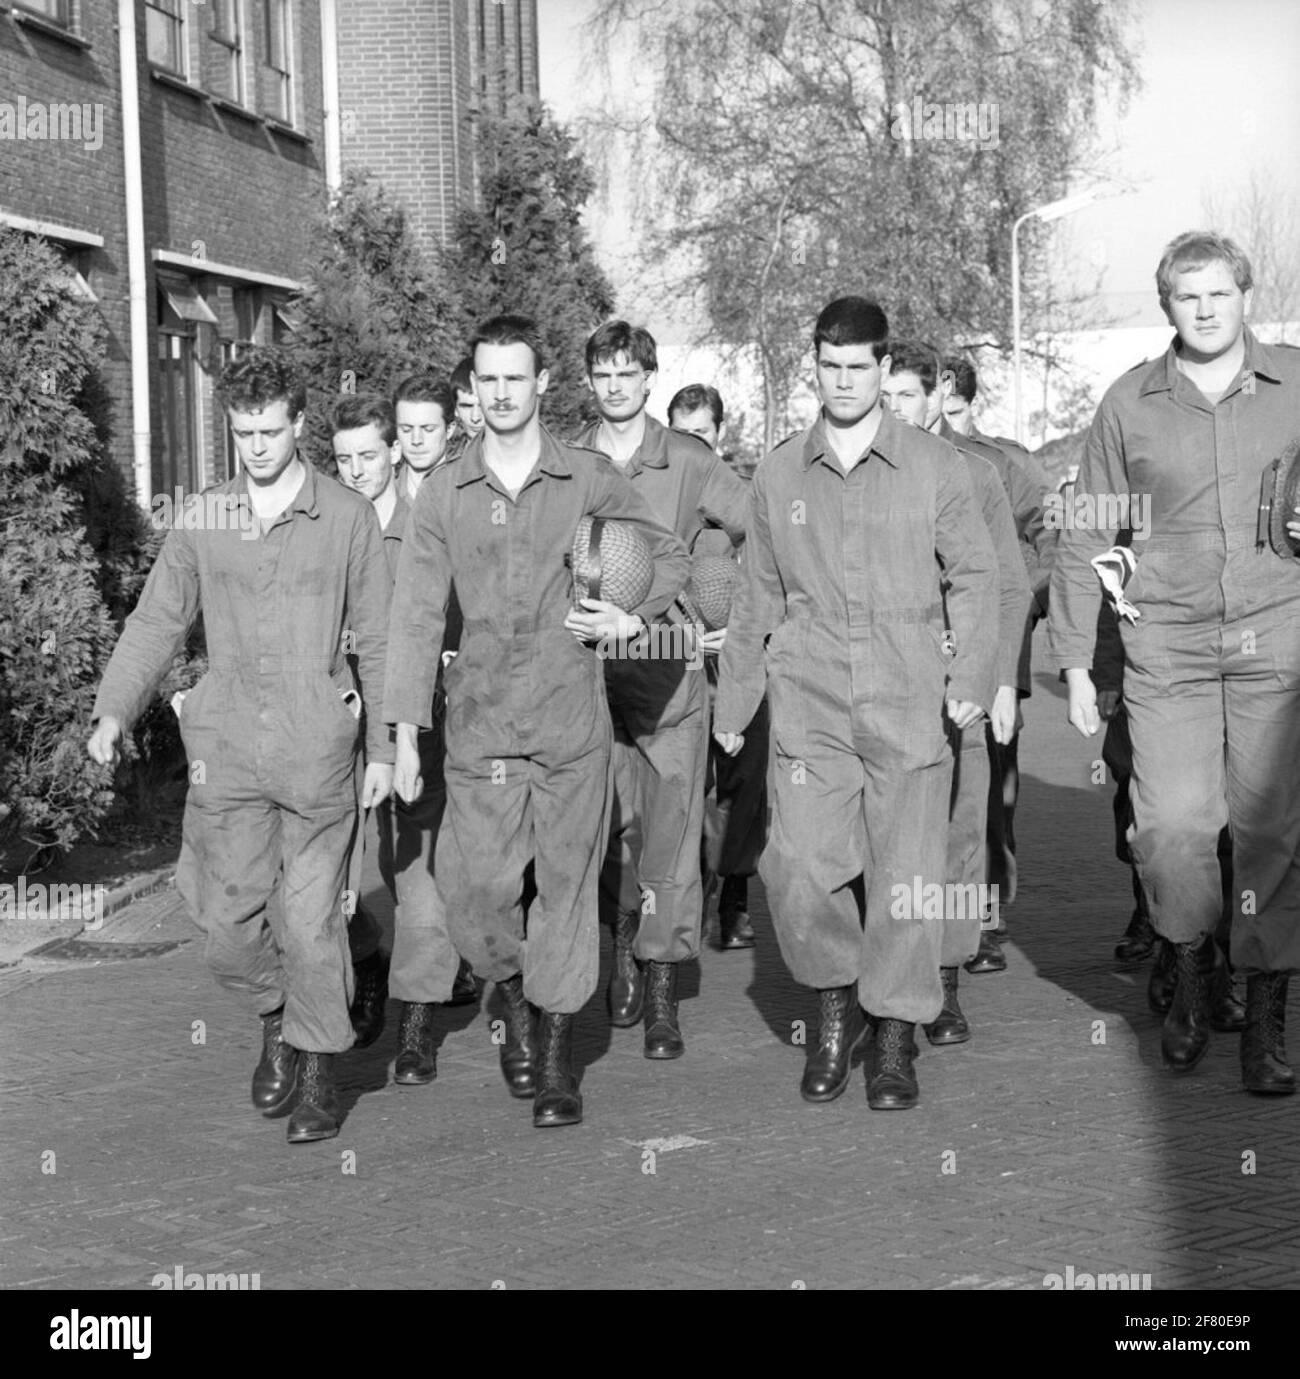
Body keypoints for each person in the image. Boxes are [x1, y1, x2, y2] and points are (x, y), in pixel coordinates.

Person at [383, 314, 689, 1127]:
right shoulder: (445, 492)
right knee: (473, 894)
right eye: (487, 380)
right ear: (471, 390)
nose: (501, 393)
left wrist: (633, 617)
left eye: (515, 378)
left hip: (568, 727)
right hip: (478, 729)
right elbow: (413, 615)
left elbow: (670, 556)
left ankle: (556, 1058)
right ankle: (512, 990)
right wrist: (405, 732)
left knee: (564, 890)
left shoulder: (585, 478)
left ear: (541, 383)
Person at [87, 348, 394, 1144]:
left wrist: (391, 744)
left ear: (299, 425)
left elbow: (386, 638)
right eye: (242, 432)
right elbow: (158, 618)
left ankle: (322, 1067)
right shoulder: (205, 515)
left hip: (317, 745)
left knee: (308, 916)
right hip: (225, 750)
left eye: (269, 430)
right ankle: (277, 1012)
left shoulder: (346, 518)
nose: (256, 446)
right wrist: (115, 710)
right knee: (226, 925)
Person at [714, 297, 998, 1111]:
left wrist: (972, 679)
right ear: (815, 367)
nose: (843, 381)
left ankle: (897, 1034)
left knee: (909, 876)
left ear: (882, 369)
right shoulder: (777, 472)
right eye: (829, 367)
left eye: (858, 367)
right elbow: (755, 594)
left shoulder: (936, 466)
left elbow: (975, 577)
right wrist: (732, 708)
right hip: (809, 695)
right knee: (798, 867)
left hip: (909, 692)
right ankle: (835, 1002)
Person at [1050, 230, 1300, 1093]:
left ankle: (1266, 1020)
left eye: (1219, 294)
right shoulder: (1130, 406)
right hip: (1171, 647)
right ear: (1167, 306)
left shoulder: (1295, 385)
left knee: (1270, 833)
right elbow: (1086, 532)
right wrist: (1078, 663)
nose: (1205, 309)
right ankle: (1192, 972)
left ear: (1245, 296)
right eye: (1188, 296)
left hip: (1277, 637)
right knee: (1172, 828)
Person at [574, 325, 749, 1057]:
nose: (616, 385)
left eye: (628, 372)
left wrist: (726, 602)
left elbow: (755, 526)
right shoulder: (568, 460)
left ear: (650, 379)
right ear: (589, 380)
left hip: (669, 668)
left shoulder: (687, 458)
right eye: (603, 372)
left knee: (672, 833)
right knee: (609, 827)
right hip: (586, 672)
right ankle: (619, 950)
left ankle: (661, 986)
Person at [881, 341, 1033, 1041]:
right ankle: (883, 979)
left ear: (936, 395)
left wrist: (998, 679)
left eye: (906, 396)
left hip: (956, 682)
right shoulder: (853, 474)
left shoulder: (974, 474)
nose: (894, 410)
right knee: (880, 838)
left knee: (959, 833)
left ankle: (945, 978)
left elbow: (1007, 580)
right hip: (877, 681)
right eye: (884, 397)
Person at [331, 392, 475, 1087]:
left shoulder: (430, 523)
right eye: (343, 458)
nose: (357, 470)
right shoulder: (327, 528)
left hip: (420, 721)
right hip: (344, 727)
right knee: (344, 877)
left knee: (419, 877)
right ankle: (364, 957)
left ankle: (417, 1021)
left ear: (394, 453)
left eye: (369, 455)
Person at [941, 354, 1056, 973]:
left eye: (952, 406)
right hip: (932, 647)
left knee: (992, 783)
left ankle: (985, 907)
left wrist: (1026, 601)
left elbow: (1047, 537)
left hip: (997, 645)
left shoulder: (1001, 463)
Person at [667, 382, 768, 951]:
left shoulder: (744, 499)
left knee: (741, 785)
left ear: (719, 434)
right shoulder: (661, 502)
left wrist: (746, 628)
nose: (692, 445)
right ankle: (690, 897)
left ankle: (733, 896)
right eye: (682, 435)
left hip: (735, 664)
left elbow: (769, 570)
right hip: (674, 663)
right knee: (686, 789)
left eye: (701, 434)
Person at [394, 373, 456, 505]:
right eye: (406, 429)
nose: (416, 440)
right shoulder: (379, 500)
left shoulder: (473, 496)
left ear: (449, 430)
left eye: (428, 429)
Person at [449, 355, 484, 453]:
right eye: (467, 406)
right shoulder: (442, 461)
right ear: (455, 409)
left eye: (483, 406)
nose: (475, 418)